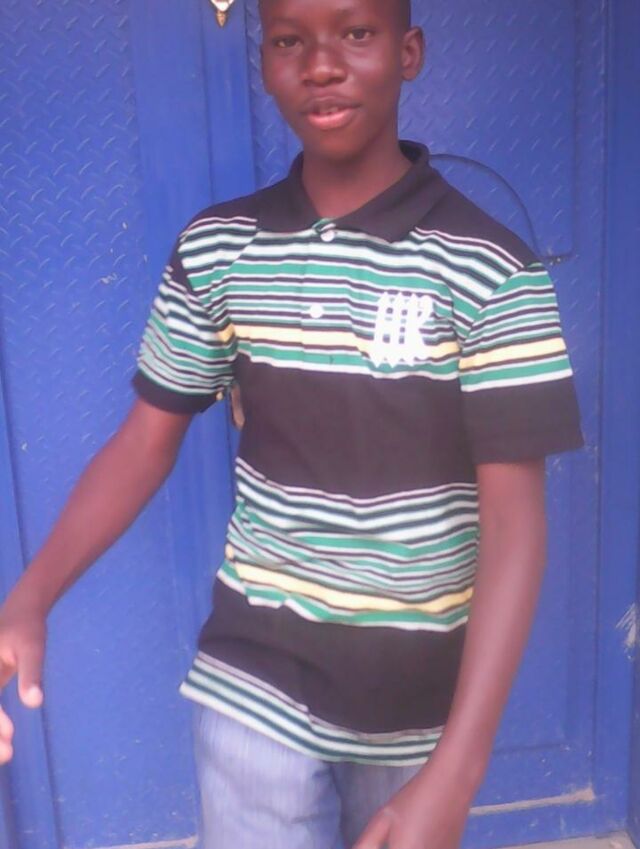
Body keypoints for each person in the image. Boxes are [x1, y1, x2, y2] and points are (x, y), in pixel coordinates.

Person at [0, 0, 583, 847]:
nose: (321, 64)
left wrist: (459, 766)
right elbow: (144, 442)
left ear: (409, 52)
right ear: (265, 64)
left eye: (356, 33)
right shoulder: (220, 249)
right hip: (255, 674)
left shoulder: (491, 268)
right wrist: (30, 596)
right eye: (288, 41)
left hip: (418, 700)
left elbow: (515, 522)